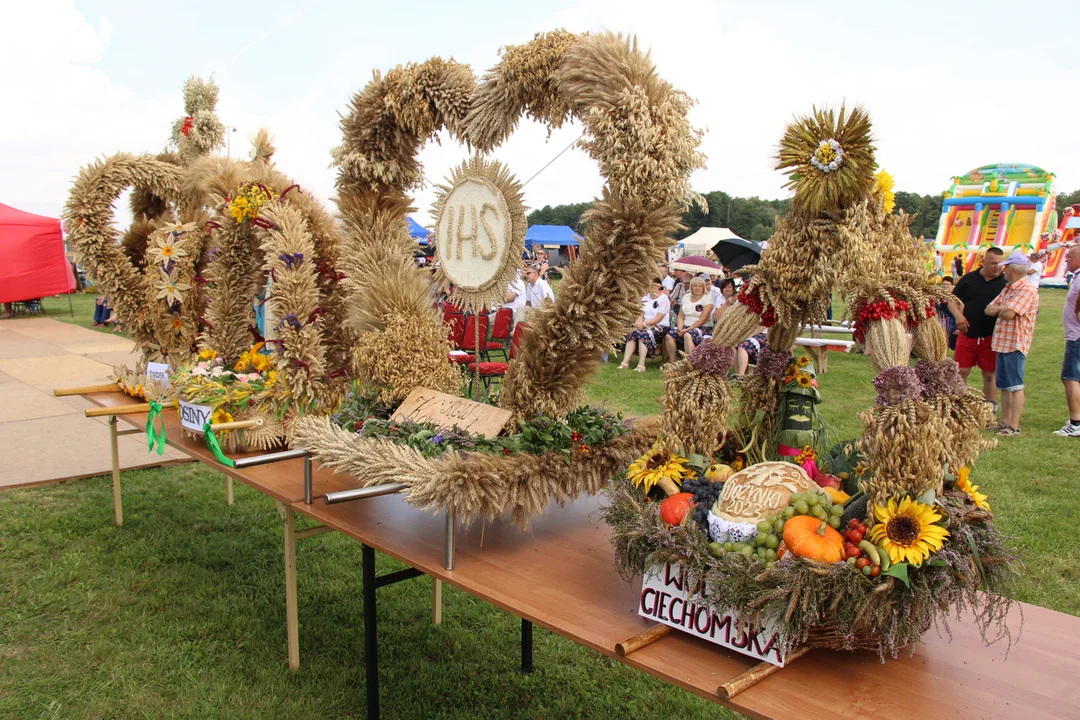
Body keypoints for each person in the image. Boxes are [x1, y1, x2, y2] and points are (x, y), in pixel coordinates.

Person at [985, 251, 1040, 436]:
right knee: (1004, 385)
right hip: (1002, 343)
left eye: (1006, 267)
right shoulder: (1009, 289)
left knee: (1015, 385)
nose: (1003, 270)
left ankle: (1014, 426)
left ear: (1014, 270)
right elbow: (989, 309)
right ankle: (1004, 422)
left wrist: (1003, 310)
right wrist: (1004, 308)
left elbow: (1009, 314)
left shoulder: (1027, 290)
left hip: (1015, 343)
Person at [949, 247, 1006, 411]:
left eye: (1000, 263)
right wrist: (959, 316)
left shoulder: (1004, 283)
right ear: (984, 262)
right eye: (994, 263)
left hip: (991, 336)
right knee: (961, 371)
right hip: (968, 334)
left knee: (989, 374)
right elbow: (952, 300)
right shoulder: (969, 279)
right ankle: (958, 406)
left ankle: (990, 410)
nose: (997, 267)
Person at [1053, 245, 1080, 437]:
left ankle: (1075, 423)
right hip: (1075, 335)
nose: (1066, 259)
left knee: (1070, 378)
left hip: (1077, 336)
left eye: (1069, 256)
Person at [619, 278, 670, 372]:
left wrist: (644, 324)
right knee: (633, 333)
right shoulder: (645, 297)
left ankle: (641, 365)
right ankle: (625, 362)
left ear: (659, 286)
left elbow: (659, 318)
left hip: (660, 326)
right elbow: (640, 313)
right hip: (645, 324)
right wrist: (638, 324)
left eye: (653, 285)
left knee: (644, 335)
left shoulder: (664, 299)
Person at [664, 277, 712, 362]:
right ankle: (673, 362)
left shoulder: (707, 299)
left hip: (702, 327)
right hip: (685, 325)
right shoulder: (686, 297)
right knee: (669, 335)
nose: (697, 288)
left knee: (688, 335)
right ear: (691, 287)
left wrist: (687, 329)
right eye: (695, 286)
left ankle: (691, 363)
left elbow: (703, 319)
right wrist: (680, 328)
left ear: (703, 287)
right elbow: (681, 316)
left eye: (700, 286)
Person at [937, 276, 959, 351]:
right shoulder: (937, 299)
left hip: (953, 324)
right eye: (943, 284)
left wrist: (957, 328)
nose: (945, 286)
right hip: (941, 322)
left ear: (953, 286)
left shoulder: (956, 299)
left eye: (947, 284)